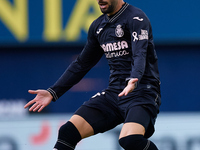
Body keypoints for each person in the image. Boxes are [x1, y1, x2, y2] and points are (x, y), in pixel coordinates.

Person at [24, 0, 161, 149]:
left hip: (141, 91)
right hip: (115, 92)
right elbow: (82, 63)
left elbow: (139, 53)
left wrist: (134, 79)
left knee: (130, 140)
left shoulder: (136, 18)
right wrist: (53, 92)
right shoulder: (98, 26)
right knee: (68, 132)